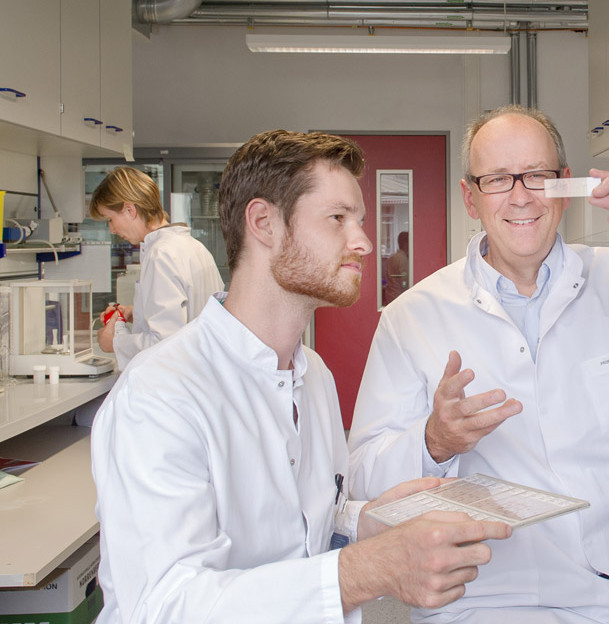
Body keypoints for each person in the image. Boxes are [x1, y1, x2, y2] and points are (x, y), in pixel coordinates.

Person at [348, 105, 609, 623]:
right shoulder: (414, 315)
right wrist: (434, 442)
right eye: (497, 179)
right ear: (469, 198)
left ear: (565, 185)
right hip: (495, 601)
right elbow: (364, 478)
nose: (520, 196)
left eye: (537, 176)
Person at [90, 130, 511, 624]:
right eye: (337, 219)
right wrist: (364, 570)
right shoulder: (160, 395)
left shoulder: (313, 378)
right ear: (264, 222)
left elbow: (304, 527)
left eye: (359, 219)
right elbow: (160, 607)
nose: (363, 241)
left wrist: (366, 520)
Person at [90, 166, 223, 368]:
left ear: (129, 209)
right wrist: (136, 312)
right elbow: (188, 314)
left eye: (110, 219)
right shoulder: (194, 247)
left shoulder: (161, 254)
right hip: (203, 375)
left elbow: (164, 343)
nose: (112, 229)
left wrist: (114, 343)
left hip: (179, 383)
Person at [384, 230, 410, 304]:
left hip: (390, 295)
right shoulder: (403, 259)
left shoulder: (392, 257)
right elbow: (404, 282)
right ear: (406, 244)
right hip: (399, 296)